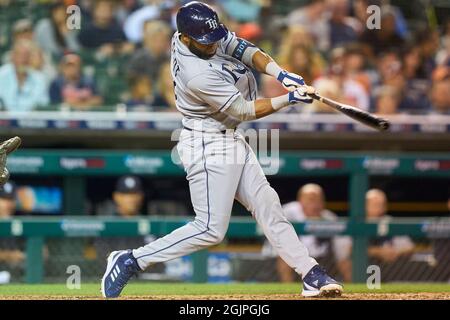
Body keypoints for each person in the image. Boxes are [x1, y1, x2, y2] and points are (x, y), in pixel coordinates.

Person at [101, 2, 343, 299]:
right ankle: (132, 259)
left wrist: (281, 74)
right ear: (186, 38)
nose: (214, 43)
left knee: (268, 204)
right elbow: (242, 110)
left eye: (214, 36)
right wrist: (288, 98)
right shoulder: (196, 74)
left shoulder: (199, 32)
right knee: (210, 229)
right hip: (207, 143)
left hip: (229, 138)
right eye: (206, 40)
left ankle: (310, 273)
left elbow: (243, 48)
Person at [261, 184, 352, 282]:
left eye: (319, 199)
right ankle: (287, 290)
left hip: (321, 262)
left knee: (343, 259)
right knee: (284, 256)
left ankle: (352, 288)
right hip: (289, 260)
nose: (316, 204)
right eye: (311, 199)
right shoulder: (287, 213)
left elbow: (343, 251)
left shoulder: (329, 218)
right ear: (300, 201)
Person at [366, 189, 414, 263]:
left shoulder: (390, 222)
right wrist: (377, 252)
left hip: (388, 268)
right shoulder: (357, 223)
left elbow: (409, 248)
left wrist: (395, 252)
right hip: (361, 268)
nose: (380, 209)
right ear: (365, 206)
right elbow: (348, 250)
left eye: (382, 205)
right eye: (375, 205)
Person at [0, 40, 49, 112]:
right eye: (19, 55)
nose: (23, 60)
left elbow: (42, 104)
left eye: (26, 55)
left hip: (31, 121)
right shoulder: (1, 75)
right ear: (12, 56)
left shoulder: (39, 79)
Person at [0, 181, 25, 283]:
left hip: (20, 276)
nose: (8, 204)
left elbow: (42, 252)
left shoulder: (22, 221)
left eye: (11, 199)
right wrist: (11, 255)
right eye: (4, 199)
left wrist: (25, 255)